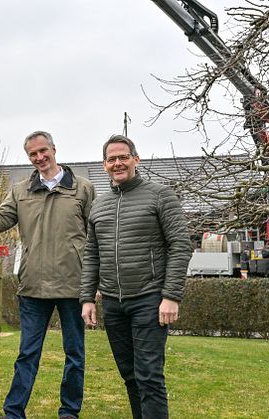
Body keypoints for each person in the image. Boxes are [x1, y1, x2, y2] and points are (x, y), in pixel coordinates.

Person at [0, 131, 95, 419]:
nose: (39, 157)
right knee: (27, 356)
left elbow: (97, 237)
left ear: (54, 149)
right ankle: (13, 412)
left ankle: (69, 413)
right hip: (33, 287)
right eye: (33, 154)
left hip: (74, 287)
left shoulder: (83, 189)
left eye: (43, 151)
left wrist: (94, 284)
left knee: (75, 356)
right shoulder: (20, 191)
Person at [79, 134, 191, 419]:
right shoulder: (99, 206)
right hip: (114, 305)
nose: (118, 163)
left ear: (136, 160)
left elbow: (180, 245)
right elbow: (92, 254)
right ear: (104, 165)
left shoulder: (160, 195)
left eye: (123, 157)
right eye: (111, 159)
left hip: (149, 300)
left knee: (149, 376)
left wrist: (171, 296)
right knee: (130, 376)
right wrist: (87, 299)